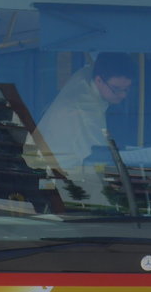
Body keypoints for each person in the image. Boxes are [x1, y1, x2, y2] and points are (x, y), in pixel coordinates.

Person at [33, 52, 136, 206]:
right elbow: (98, 161)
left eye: (127, 89)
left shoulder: (86, 74)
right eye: (116, 89)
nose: (122, 95)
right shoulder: (86, 114)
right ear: (99, 80)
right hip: (55, 181)